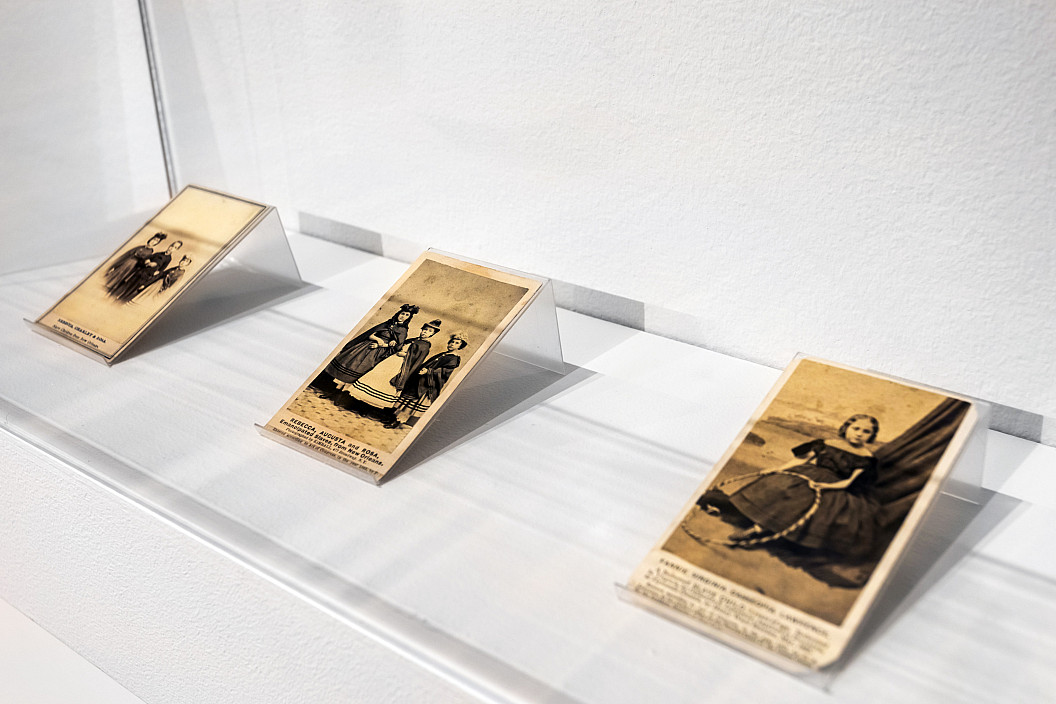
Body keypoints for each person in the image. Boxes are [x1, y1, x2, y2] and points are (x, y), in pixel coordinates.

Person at [717, 414, 881, 558]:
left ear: (872, 436)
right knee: (783, 488)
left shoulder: (867, 458)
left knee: (807, 504)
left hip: (832, 486)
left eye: (866, 431)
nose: (859, 434)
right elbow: (802, 459)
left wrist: (825, 486)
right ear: (846, 428)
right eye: (856, 428)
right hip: (808, 474)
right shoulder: (827, 443)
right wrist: (778, 468)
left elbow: (849, 482)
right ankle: (759, 524)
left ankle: (756, 531)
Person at [344, 319, 441, 415]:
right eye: (425, 329)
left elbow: (416, 362)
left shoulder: (425, 346)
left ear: (432, 334)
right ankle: (357, 405)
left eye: (429, 331)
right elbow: (398, 347)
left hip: (400, 367)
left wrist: (405, 356)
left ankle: (365, 410)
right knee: (374, 379)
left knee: (383, 385)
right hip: (391, 361)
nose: (425, 332)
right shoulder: (413, 340)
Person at [321, 304, 418, 397]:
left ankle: (339, 396)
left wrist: (383, 344)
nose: (403, 316)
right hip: (365, 348)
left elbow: (397, 347)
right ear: (398, 313)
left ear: (408, 318)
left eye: (406, 315)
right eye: (402, 313)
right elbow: (371, 334)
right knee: (350, 367)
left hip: (378, 354)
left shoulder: (403, 330)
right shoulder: (387, 323)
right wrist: (378, 339)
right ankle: (331, 391)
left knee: (358, 374)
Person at [385, 331, 467, 429]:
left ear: (461, 346)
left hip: (427, 385)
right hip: (420, 381)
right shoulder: (444, 354)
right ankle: (393, 418)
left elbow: (443, 372)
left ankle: (398, 422)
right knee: (406, 401)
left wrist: (428, 371)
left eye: (456, 343)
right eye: (451, 342)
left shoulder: (454, 359)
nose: (452, 344)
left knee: (411, 405)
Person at [114, 240, 182, 302]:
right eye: (172, 245)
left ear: (176, 250)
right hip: (141, 270)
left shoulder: (168, 259)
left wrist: (155, 268)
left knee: (133, 287)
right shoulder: (159, 253)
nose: (171, 248)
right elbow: (149, 258)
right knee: (129, 282)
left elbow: (161, 270)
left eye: (175, 247)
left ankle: (121, 299)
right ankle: (116, 295)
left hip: (147, 275)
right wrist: (147, 261)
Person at [105, 233, 166, 297]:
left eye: (156, 241)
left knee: (124, 278)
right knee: (117, 273)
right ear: (151, 239)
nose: (154, 241)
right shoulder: (141, 247)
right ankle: (109, 286)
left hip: (133, 266)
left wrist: (142, 259)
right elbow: (128, 254)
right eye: (154, 239)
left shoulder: (151, 252)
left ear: (157, 243)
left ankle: (112, 291)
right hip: (126, 262)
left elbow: (144, 261)